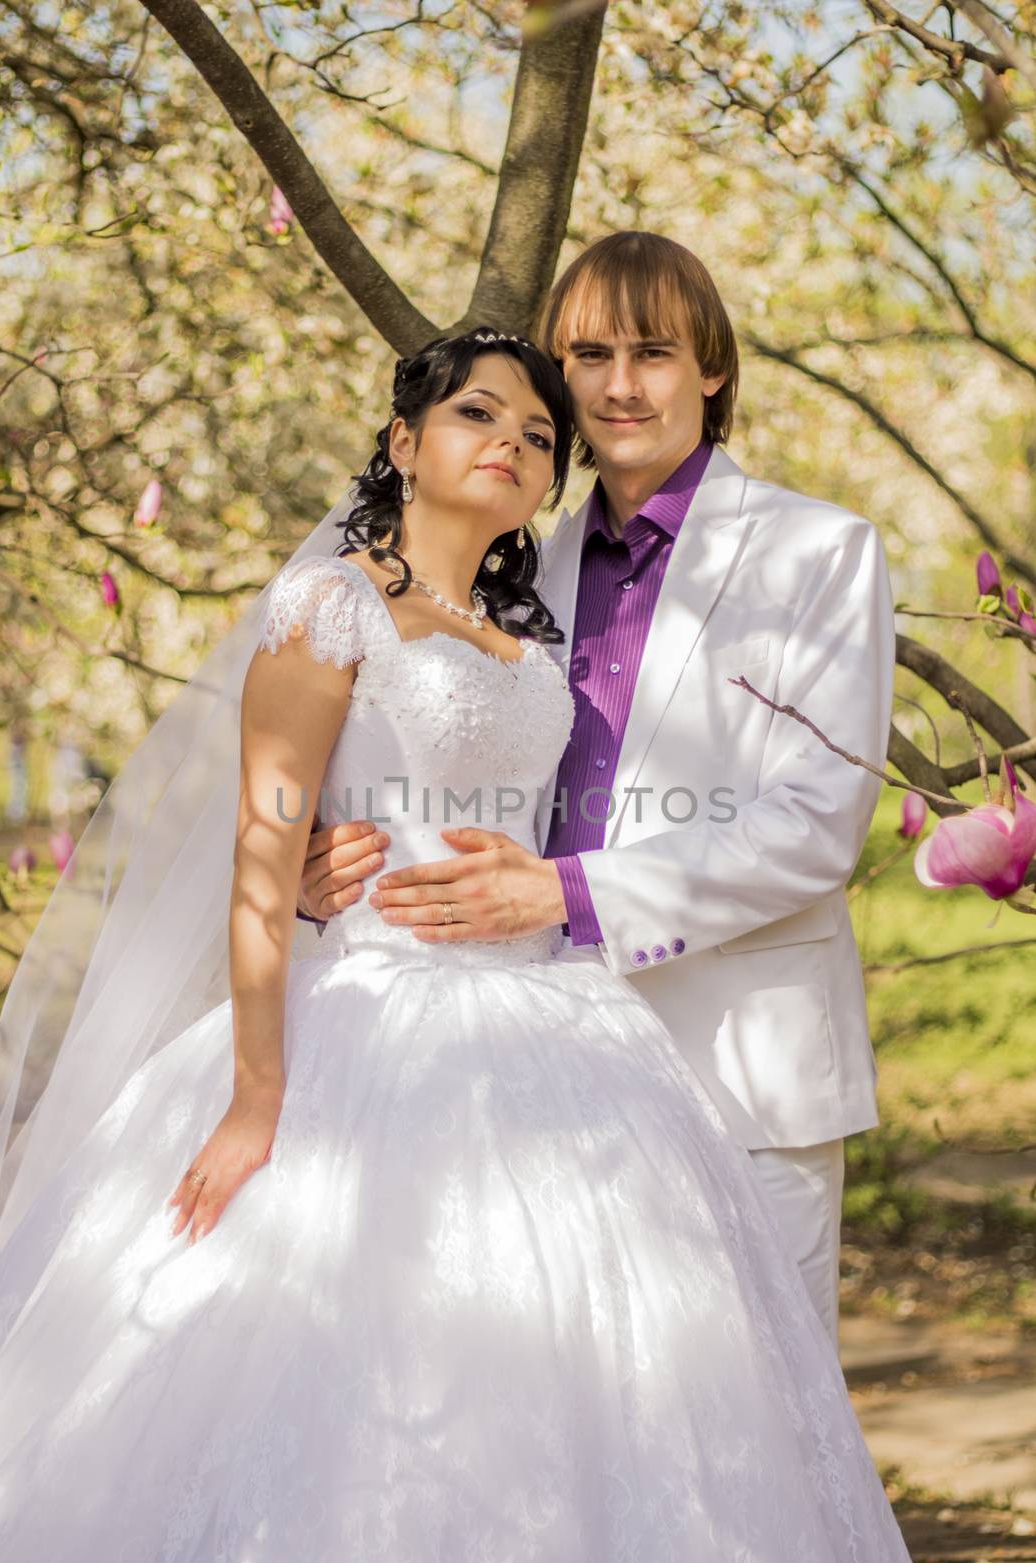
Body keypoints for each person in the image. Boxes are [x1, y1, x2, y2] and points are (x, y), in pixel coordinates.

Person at [0, 328, 923, 1563]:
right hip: (367, 1018)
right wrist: (259, 1095)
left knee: (588, 1371)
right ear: (404, 443)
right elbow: (263, 850)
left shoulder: (523, 635)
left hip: (556, 1027)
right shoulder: (328, 604)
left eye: (537, 435)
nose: (515, 446)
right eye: (480, 417)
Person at [296, 233, 895, 1343]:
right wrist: (324, 859)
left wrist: (570, 896)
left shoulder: (819, 555)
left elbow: (817, 825)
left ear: (709, 369)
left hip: (742, 1072)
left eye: (654, 352)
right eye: (589, 354)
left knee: (759, 1422)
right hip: (540, 1081)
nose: (620, 385)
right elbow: (437, 757)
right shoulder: (515, 572)